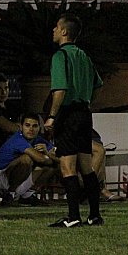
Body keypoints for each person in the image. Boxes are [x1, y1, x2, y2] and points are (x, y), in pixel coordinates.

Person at [44, 14, 104, 228]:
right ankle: (95, 215)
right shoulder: (84, 56)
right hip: (84, 113)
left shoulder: (60, 56)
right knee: (86, 166)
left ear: (64, 32)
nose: (53, 29)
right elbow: (98, 84)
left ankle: (73, 216)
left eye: (56, 26)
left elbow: (60, 89)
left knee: (67, 167)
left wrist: (51, 116)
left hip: (68, 114)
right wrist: (87, 103)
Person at [0, 113, 54, 206]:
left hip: (19, 178)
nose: (31, 129)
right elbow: (40, 159)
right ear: (21, 127)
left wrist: (48, 154)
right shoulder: (17, 138)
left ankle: (27, 196)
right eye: (27, 125)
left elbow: (59, 157)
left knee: (54, 166)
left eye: (35, 126)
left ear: (39, 128)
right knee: (26, 158)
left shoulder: (39, 140)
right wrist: (49, 157)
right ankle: (9, 195)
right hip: (0, 180)